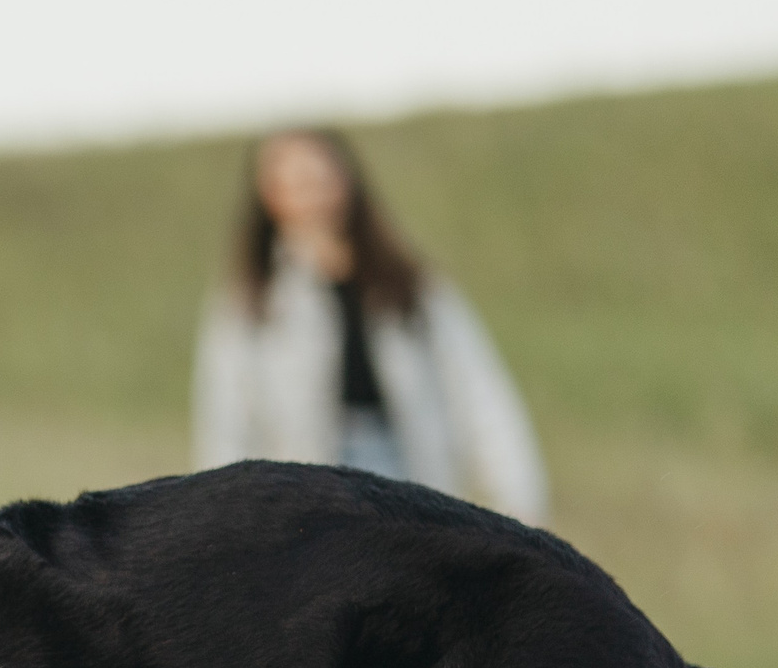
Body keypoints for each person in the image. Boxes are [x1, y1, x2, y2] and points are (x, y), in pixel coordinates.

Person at [191, 129, 548, 525]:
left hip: (407, 479)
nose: (310, 196)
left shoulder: (407, 284)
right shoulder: (254, 298)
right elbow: (226, 416)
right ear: (268, 197)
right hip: (305, 498)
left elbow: (475, 388)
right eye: (293, 183)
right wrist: (223, 516)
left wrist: (518, 494)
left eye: (318, 178)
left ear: (345, 180)